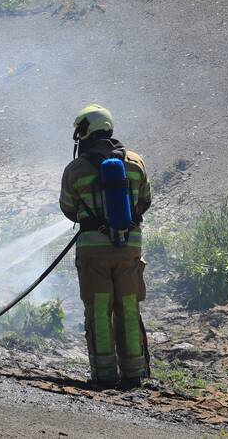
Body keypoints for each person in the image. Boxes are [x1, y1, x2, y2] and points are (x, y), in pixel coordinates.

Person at [59, 104, 151, 389]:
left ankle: (104, 375)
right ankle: (134, 374)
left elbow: (68, 209)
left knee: (99, 311)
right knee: (128, 307)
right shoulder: (136, 163)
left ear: (85, 131)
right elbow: (145, 202)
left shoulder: (75, 170)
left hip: (93, 252)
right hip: (129, 249)